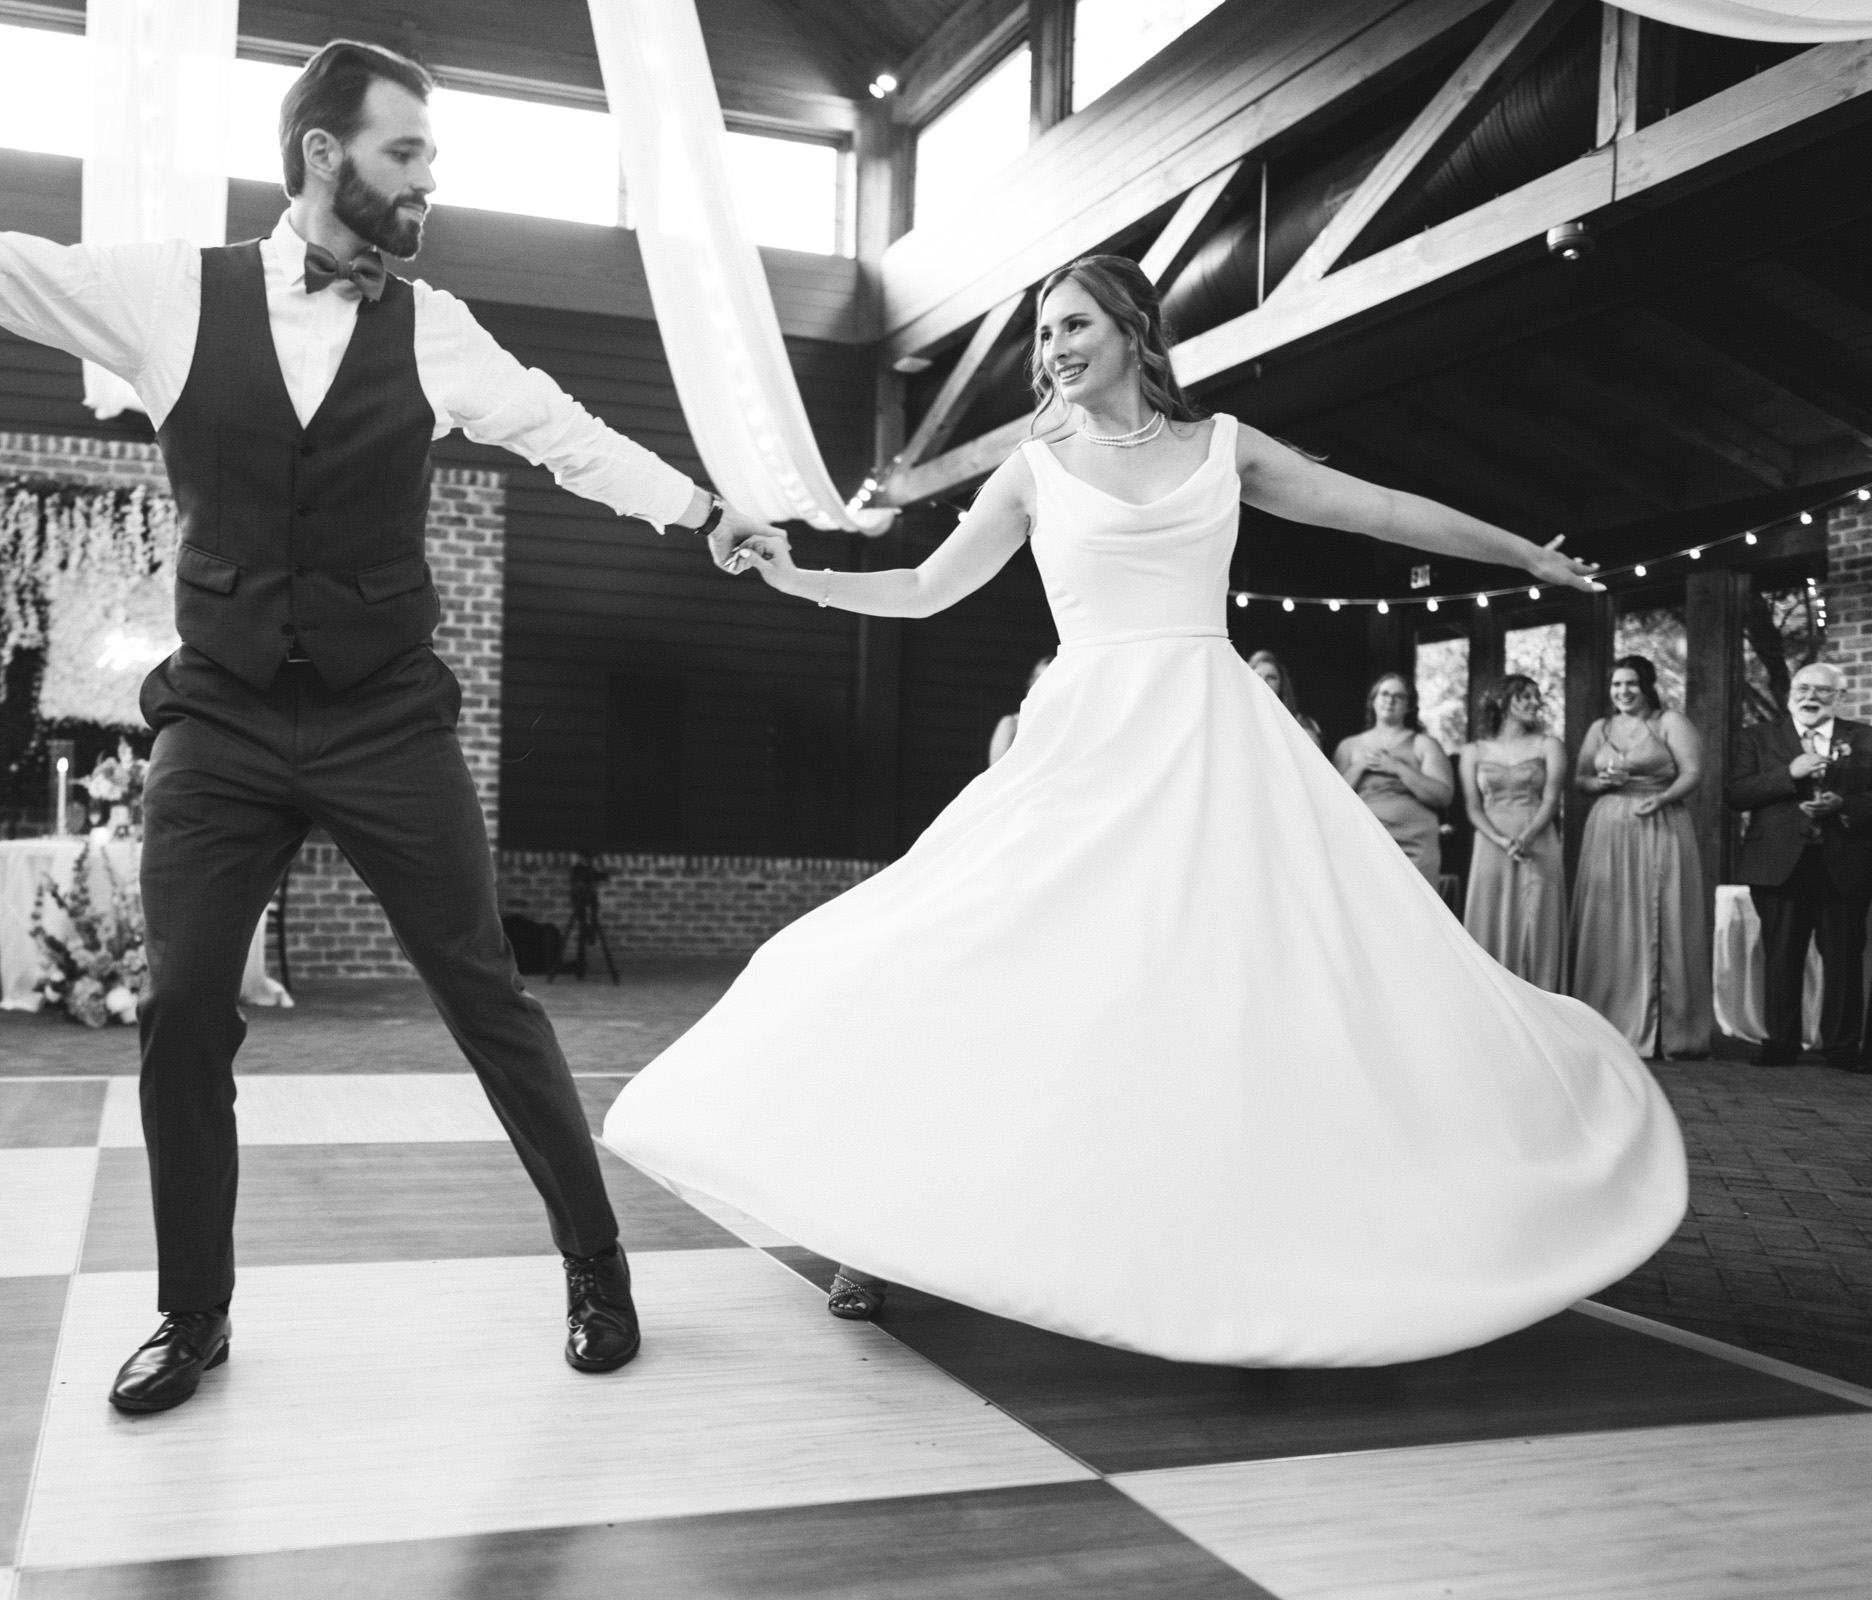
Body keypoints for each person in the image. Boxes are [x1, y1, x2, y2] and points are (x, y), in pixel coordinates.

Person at [0, 43, 790, 1412]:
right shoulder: (167, 297)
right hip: (225, 723)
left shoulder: (435, 328)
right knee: (184, 1007)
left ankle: (598, 1265)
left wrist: (700, 508)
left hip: (386, 720)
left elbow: (569, 433)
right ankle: (191, 1318)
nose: (431, 180)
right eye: (409, 154)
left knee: (485, 991)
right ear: (325, 157)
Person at [604, 255, 1684, 1368]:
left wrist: (1522, 554)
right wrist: (800, 581)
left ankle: (1248, 1237)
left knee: (1240, 988)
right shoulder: (1033, 468)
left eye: (1074, 325)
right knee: (976, 957)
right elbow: (926, 588)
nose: (1054, 349)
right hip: (1083, 745)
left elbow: (1380, 509)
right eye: (1042, 335)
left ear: (1132, 329)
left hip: (1217, 746)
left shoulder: (1224, 448)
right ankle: (879, 1224)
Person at [1725, 662, 1872, 1073]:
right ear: (1791, 692)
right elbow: (1735, 793)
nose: (1810, 697)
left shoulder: (1864, 739)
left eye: (1823, 691)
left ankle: (1842, 1046)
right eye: (1803, 688)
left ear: (1839, 698)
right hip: (1778, 865)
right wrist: (1788, 774)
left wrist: (1845, 806)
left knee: (1844, 959)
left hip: (1843, 863)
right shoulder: (1759, 738)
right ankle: (1780, 1043)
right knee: (1781, 955)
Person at [1569, 657, 1712, 1059]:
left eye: (1631, 684)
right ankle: (1606, 1019)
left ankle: (1665, 1027)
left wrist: (1663, 796)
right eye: (1616, 685)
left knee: (1658, 916)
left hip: (1659, 823)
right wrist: (1601, 782)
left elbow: (1694, 771)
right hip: (1607, 829)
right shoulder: (1600, 728)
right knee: (1609, 918)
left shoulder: (1670, 722)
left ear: (1646, 686)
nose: (1623, 692)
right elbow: (1580, 779)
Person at [1459, 674, 1567, 991]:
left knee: (1539, 919)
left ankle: (1543, 1000)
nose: (1536, 703)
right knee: (1490, 914)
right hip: (1491, 842)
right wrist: (1501, 840)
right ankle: (1490, 999)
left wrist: (1528, 837)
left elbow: (1552, 799)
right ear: (1503, 702)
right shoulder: (1473, 751)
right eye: (1526, 697)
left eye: (1537, 696)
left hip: (1539, 836)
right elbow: (1472, 807)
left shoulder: (1549, 745)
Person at [1334, 673, 1453, 889]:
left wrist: (1398, 768)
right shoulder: (1349, 746)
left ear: (1409, 706)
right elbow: (1330, 799)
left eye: (1399, 696)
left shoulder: (1424, 744)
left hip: (1414, 846)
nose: (1390, 700)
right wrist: (1359, 767)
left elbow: (1443, 796)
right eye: (1385, 694)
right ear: (1373, 700)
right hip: (1364, 843)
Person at [988, 654, 1056, 765]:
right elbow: (996, 768)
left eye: (1051, 680)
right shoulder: (1011, 724)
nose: (1045, 686)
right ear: (1030, 683)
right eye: (1040, 679)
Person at [1247, 648, 1322, 748]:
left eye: (1271, 677)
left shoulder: (1301, 724)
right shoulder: (1233, 715)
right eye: (1257, 676)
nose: (1263, 681)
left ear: (1282, 684)